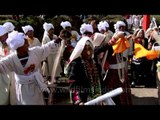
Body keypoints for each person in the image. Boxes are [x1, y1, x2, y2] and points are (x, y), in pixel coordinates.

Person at [0, 30, 61, 105]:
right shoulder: (11, 59)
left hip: (35, 85)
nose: (28, 45)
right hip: (22, 88)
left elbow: (46, 47)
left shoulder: (35, 52)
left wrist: (59, 38)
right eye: (25, 43)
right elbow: (1, 66)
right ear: (19, 46)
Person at [94, 31, 132, 105]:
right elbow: (109, 46)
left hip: (121, 73)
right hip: (112, 74)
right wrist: (116, 38)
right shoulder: (104, 49)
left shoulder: (114, 47)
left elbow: (121, 45)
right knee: (114, 94)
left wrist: (125, 38)